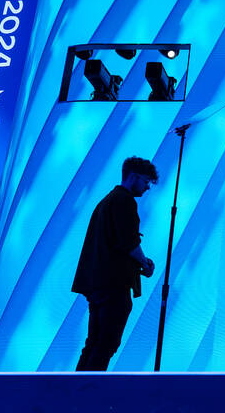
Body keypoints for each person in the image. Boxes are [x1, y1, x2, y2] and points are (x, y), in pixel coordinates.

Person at [72, 156, 159, 371]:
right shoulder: (124, 201)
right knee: (106, 343)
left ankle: (74, 393)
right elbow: (128, 242)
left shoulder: (106, 201)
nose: (147, 187)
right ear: (134, 177)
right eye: (146, 182)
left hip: (97, 284)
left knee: (94, 342)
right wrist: (145, 264)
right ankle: (89, 393)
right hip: (114, 285)